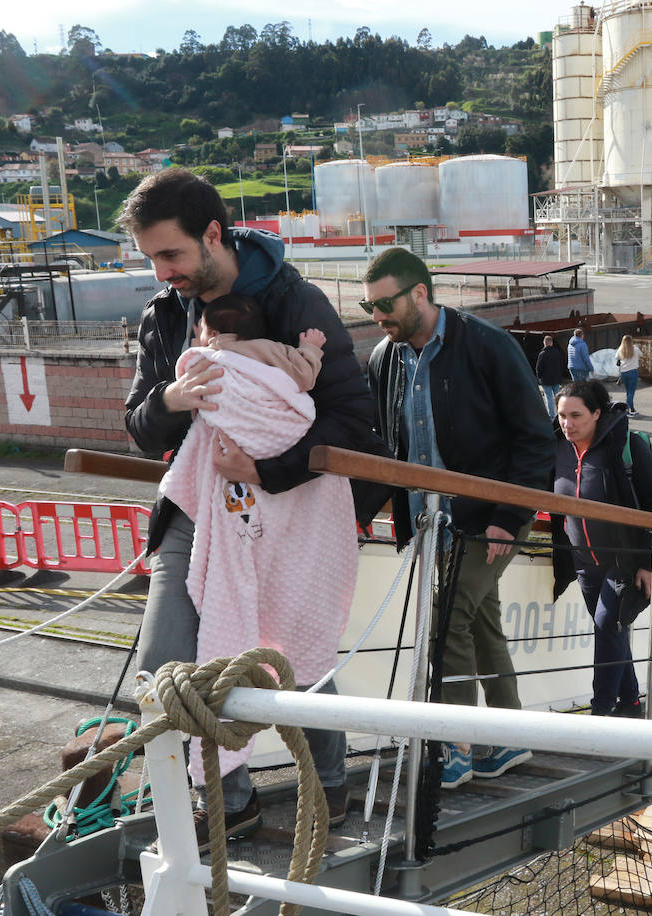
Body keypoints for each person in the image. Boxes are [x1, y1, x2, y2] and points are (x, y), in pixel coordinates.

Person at [121, 167, 380, 843]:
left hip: (291, 510)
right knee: (167, 667)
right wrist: (170, 402)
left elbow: (352, 419)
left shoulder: (298, 304)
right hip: (198, 507)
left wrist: (265, 469)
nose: (161, 272)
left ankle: (326, 787)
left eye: (171, 255)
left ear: (213, 235)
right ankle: (230, 801)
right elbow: (141, 429)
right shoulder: (163, 316)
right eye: (151, 259)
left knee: (296, 652)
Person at [363, 247, 554, 790]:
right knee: (479, 622)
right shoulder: (385, 358)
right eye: (369, 305)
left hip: (489, 517)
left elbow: (535, 439)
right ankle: (508, 736)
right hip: (431, 522)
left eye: (384, 304)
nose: (376, 317)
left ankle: (456, 747)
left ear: (420, 293)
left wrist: (508, 515)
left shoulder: (487, 345)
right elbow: (384, 445)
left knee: (449, 622)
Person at [159, 293, 356, 799]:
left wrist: (181, 397)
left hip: (238, 518)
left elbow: (190, 405)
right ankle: (331, 788)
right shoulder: (280, 360)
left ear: (208, 332)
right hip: (299, 527)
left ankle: (230, 800)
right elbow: (309, 382)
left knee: (221, 660)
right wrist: (309, 351)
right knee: (309, 662)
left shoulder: (209, 365)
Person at [551, 380, 652, 716]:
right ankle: (631, 703)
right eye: (562, 415)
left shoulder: (624, 445)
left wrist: (648, 562)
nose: (567, 423)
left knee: (607, 625)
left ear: (597, 413)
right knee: (613, 633)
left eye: (576, 415)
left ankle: (600, 711)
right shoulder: (557, 447)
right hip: (583, 561)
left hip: (626, 559)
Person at [196, 292, 325, 391]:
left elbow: (189, 377)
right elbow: (303, 377)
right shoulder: (270, 349)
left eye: (202, 328)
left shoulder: (207, 356)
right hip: (269, 418)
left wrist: (197, 345)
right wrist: (310, 348)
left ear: (214, 334)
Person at [534, 333, 567, 416]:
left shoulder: (542, 354)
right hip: (556, 378)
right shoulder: (557, 352)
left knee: (548, 398)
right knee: (558, 397)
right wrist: (560, 375)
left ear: (544, 343)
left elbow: (538, 368)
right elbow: (561, 364)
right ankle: (561, 413)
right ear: (551, 343)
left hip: (546, 380)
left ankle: (552, 415)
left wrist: (539, 378)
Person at [616, 334, 640, 417]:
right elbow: (641, 354)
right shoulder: (635, 349)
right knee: (631, 392)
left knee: (628, 392)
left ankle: (632, 409)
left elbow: (617, 358)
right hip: (633, 372)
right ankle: (628, 411)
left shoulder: (620, 349)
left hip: (624, 373)